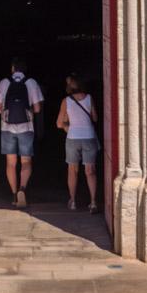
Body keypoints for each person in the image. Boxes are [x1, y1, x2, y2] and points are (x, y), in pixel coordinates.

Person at [0, 58, 43, 207]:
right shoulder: (31, 83)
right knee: (26, 162)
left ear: (13, 68)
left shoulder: (4, 82)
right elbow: (37, 109)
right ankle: (22, 189)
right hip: (26, 128)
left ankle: (14, 195)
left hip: (7, 128)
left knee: (11, 163)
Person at [56, 74, 99, 211]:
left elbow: (59, 123)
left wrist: (67, 127)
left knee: (72, 170)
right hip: (89, 137)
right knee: (90, 171)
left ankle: (73, 201)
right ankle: (93, 202)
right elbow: (95, 118)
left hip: (73, 138)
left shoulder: (66, 101)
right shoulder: (89, 98)